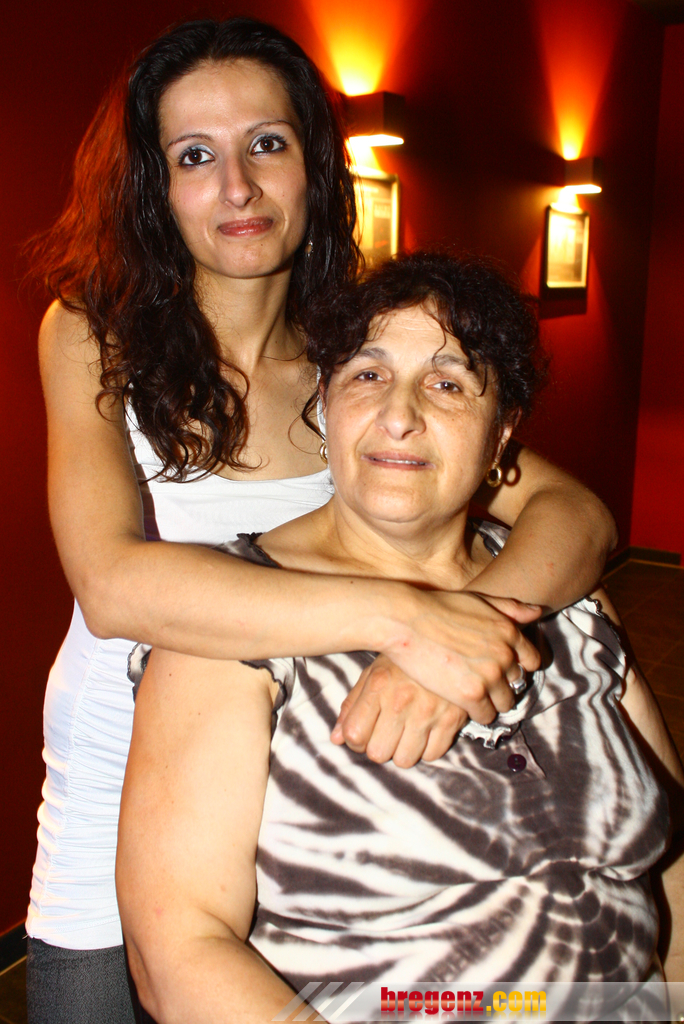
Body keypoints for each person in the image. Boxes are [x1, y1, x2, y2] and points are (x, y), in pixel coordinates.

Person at [29, 15, 617, 1024]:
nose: (238, 187)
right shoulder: (93, 333)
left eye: (266, 144)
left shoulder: (359, 355)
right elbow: (114, 585)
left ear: (313, 164)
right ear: (154, 189)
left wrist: (472, 628)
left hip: (298, 781)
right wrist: (409, 619)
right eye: (194, 157)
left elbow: (577, 512)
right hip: (114, 766)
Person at [117, 253, 684, 1024]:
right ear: (323, 406)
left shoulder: (572, 602)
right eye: (368, 374)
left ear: (502, 436)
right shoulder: (229, 622)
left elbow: (668, 852)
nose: (399, 414)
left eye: (447, 383)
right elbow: (178, 950)